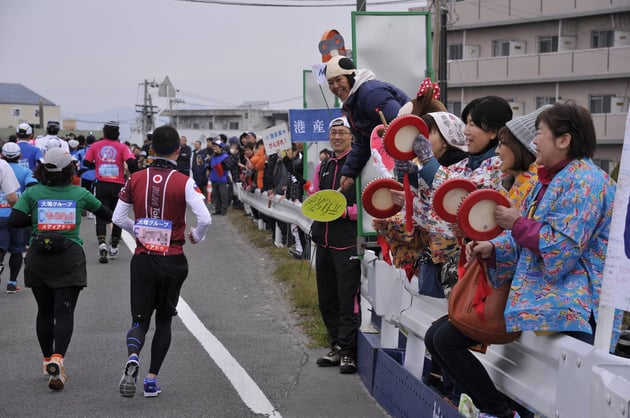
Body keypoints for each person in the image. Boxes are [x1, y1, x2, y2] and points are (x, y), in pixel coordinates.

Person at [425, 102, 616, 418]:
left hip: (569, 306)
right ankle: (502, 412)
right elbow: (526, 241)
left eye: (540, 134)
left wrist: (516, 224)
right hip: (545, 302)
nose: (535, 141)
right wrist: (494, 249)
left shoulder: (586, 181)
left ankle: (501, 412)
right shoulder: (552, 179)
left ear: (564, 140)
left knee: (565, 399)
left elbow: (560, 249)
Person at [112, 125, 211, 398]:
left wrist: (140, 231)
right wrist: (196, 236)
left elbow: (118, 219)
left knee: (140, 319)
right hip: (173, 260)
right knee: (164, 321)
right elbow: (205, 218)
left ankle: (133, 356)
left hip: (144, 258)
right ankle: (152, 380)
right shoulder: (185, 181)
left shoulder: (135, 179)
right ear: (178, 150)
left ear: (151, 149)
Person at [9, 147, 112, 391]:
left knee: (44, 311)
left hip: (38, 257)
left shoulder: (33, 193)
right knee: (64, 312)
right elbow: (106, 214)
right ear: (69, 170)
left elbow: (14, 221)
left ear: (43, 169)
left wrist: (37, 218)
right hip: (69, 258)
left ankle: (47, 361)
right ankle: (58, 357)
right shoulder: (79, 193)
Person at [310, 116, 360, 374]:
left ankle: (348, 351)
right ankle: (335, 346)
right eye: (333, 133)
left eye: (342, 132)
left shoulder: (360, 166)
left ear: (352, 136)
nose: (337, 137)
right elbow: (315, 196)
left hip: (347, 243)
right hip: (324, 242)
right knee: (326, 299)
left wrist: (346, 212)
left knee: (347, 299)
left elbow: (365, 207)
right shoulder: (323, 166)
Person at [324, 55, 409, 192]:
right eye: (330, 82)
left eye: (339, 80)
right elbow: (363, 141)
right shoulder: (352, 104)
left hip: (414, 156)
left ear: (351, 77)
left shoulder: (371, 94)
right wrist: (350, 172)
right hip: (400, 161)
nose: (335, 86)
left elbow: (402, 125)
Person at [84, 121, 139, 263]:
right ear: (118, 134)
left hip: (101, 184)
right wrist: (137, 177)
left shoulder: (96, 146)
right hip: (118, 185)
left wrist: (98, 163)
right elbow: (132, 163)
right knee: (117, 216)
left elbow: (86, 162)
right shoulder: (122, 147)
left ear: (104, 133)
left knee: (100, 214)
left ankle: (102, 244)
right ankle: (114, 245)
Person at [0, 142, 37, 293]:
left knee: (0, 247)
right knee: (17, 250)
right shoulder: (25, 171)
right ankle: (12, 283)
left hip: (0, 215)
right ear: (20, 156)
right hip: (17, 213)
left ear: (2, 155)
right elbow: (32, 187)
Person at [209, 141, 232, 215]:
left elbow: (229, 166)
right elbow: (210, 166)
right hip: (213, 178)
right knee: (215, 195)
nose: (214, 148)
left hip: (222, 179)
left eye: (216, 146)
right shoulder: (212, 156)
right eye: (214, 146)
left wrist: (222, 165)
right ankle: (217, 209)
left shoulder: (226, 156)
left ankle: (224, 209)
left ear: (221, 148)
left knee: (223, 195)